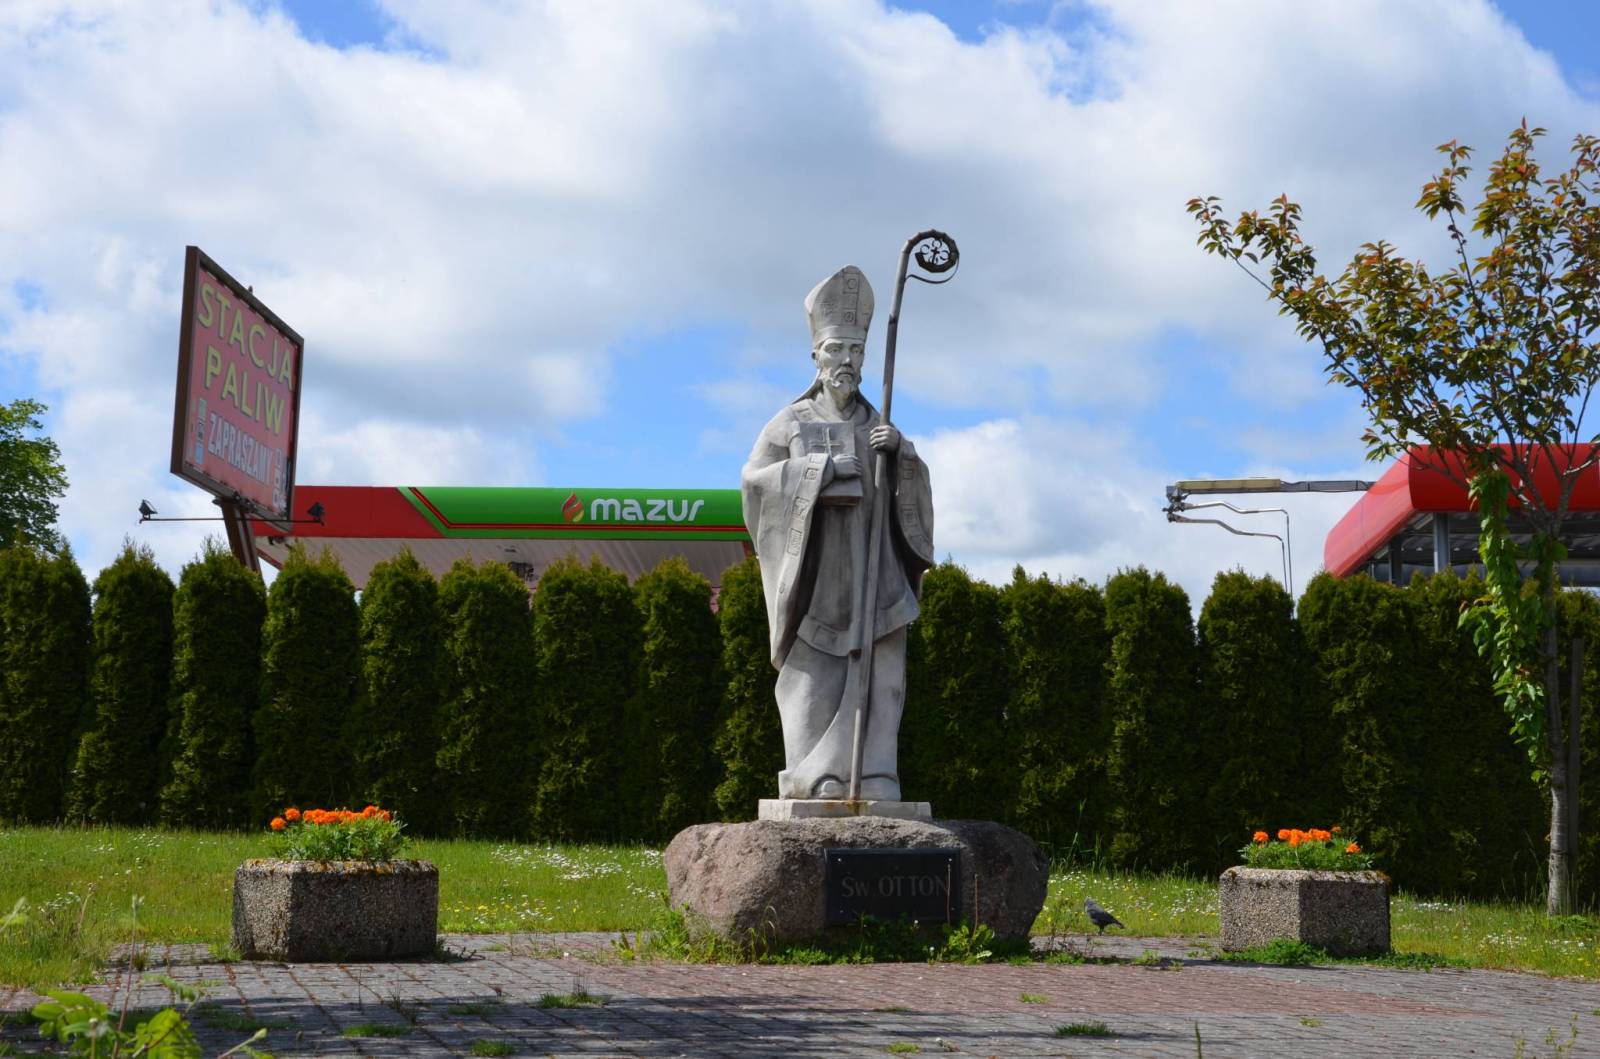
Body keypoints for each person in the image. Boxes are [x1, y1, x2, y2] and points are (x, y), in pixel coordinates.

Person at [740, 265, 934, 800]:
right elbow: (754, 483)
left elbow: (913, 491)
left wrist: (902, 455)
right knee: (815, 677)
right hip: (820, 578)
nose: (846, 360)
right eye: (836, 349)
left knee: (884, 677)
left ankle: (875, 773)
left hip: (877, 576)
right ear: (816, 356)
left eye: (856, 350)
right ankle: (815, 776)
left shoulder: (879, 424)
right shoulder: (790, 421)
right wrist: (820, 471)